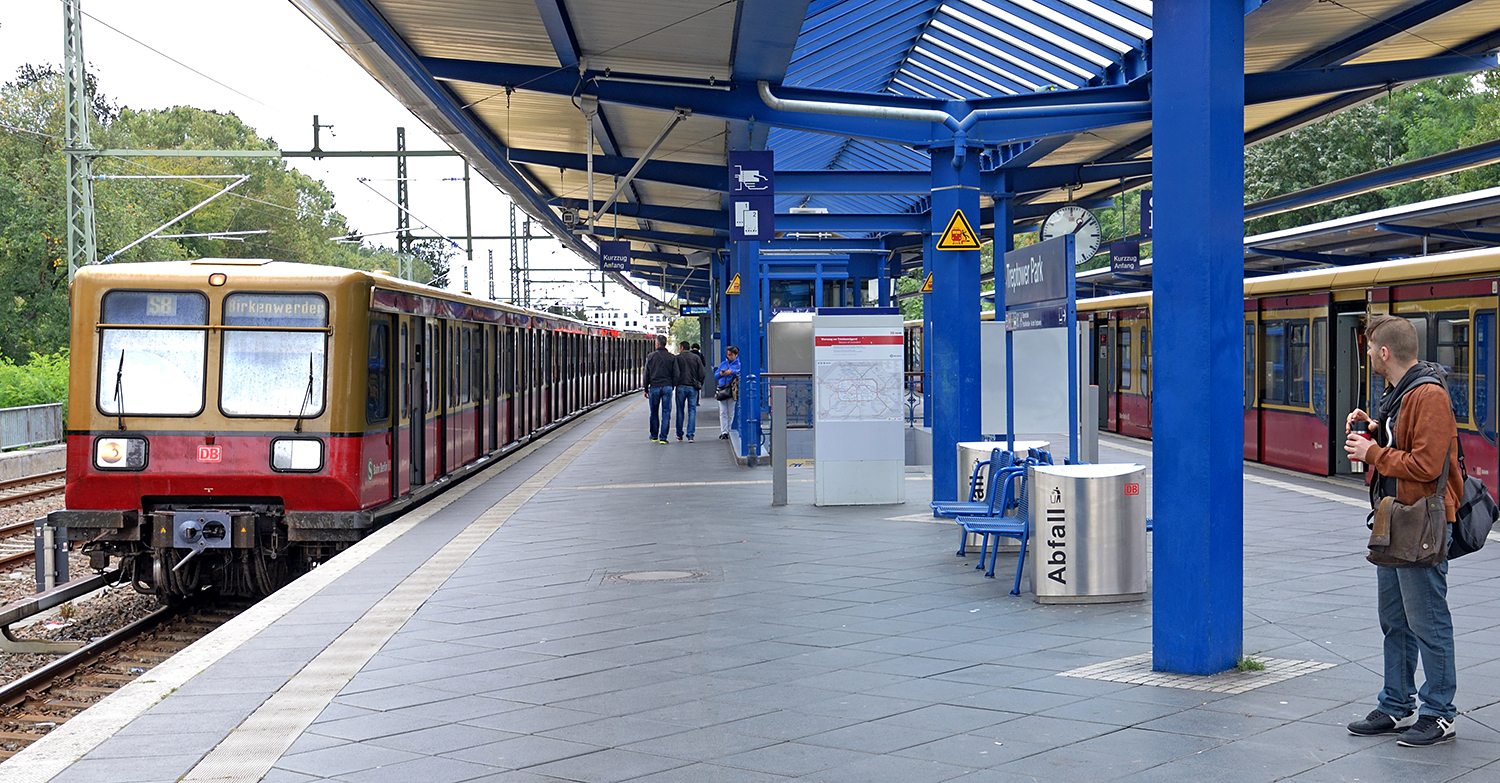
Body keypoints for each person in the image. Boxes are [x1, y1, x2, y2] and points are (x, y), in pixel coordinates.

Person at [1344, 315, 1463, 747]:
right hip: (1393, 518)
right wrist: (1375, 430)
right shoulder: (1398, 393)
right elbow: (1404, 444)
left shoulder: (1427, 394)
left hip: (1421, 521)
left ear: (1384, 352)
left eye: (1371, 348)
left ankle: (1439, 712)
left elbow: (1428, 466)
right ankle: (1396, 704)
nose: (1369, 355)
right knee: (1394, 620)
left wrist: (1373, 452)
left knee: (1427, 620)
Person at [643, 335, 678, 444]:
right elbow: (676, 373)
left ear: (657, 344)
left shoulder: (651, 357)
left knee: (654, 412)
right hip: (667, 386)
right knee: (666, 412)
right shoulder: (672, 357)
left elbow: (646, 374)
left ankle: (654, 436)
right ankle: (663, 438)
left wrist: (645, 388)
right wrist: (672, 385)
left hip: (654, 387)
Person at [674, 340, 706, 442]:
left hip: (680, 387)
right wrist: (699, 383)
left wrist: (675, 383)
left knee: (680, 410)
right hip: (693, 387)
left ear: (682, 348)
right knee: (692, 411)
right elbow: (702, 372)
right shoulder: (696, 358)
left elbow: (674, 372)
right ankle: (690, 435)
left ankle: (679, 434)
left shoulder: (677, 358)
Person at [714, 346, 740, 440]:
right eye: (728, 354)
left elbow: (740, 372)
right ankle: (724, 431)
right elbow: (716, 375)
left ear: (736, 355)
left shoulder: (738, 364)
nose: (729, 356)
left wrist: (732, 372)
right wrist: (721, 373)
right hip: (722, 388)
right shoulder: (723, 364)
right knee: (723, 411)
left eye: (731, 355)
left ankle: (728, 430)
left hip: (732, 389)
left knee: (730, 411)